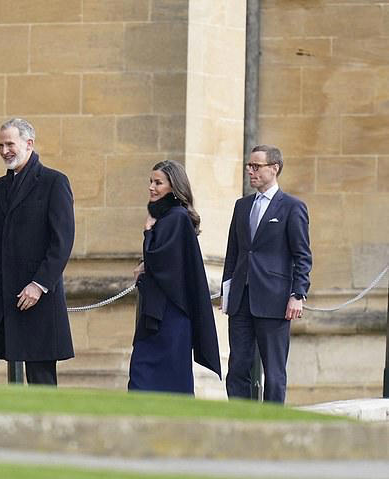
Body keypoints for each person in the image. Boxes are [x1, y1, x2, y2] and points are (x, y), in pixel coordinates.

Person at [0, 118, 75, 386]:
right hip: (1, 294)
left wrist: (39, 284)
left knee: (41, 379)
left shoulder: (54, 182)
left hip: (36, 297)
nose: (4, 150)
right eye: (0, 145)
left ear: (28, 144)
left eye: (10, 144)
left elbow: (62, 242)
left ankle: (45, 428)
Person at [222, 145, 312, 403]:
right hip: (241, 300)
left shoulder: (293, 207)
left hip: (275, 301)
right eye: (249, 166)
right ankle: (241, 419)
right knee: (238, 365)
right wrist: (228, 293)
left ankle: (272, 423)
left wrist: (298, 294)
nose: (250, 171)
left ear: (275, 168)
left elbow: (302, 256)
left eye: (256, 166)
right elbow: (234, 254)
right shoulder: (241, 206)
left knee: (273, 370)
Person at [129, 160, 221, 394]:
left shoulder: (176, 217)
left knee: (164, 376)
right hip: (159, 311)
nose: (152, 187)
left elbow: (161, 260)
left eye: (158, 183)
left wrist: (148, 232)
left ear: (174, 186)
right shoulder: (169, 216)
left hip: (170, 313)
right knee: (142, 372)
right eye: (151, 182)